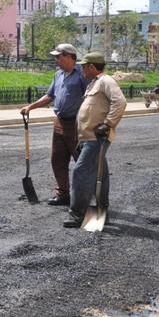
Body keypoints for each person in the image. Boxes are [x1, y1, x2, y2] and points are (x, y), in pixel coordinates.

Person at [19, 43, 90, 208]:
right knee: (57, 160)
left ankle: (84, 198)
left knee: (81, 162)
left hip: (76, 124)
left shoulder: (82, 75)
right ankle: (63, 194)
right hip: (59, 122)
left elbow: (90, 98)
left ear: (69, 56)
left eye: (58, 57)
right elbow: (50, 96)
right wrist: (31, 107)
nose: (56, 60)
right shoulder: (58, 74)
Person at [64, 52, 127, 228]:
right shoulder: (94, 83)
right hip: (89, 137)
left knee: (81, 172)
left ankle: (77, 214)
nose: (81, 70)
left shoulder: (106, 81)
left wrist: (108, 124)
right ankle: (101, 213)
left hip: (97, 137)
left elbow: (120, 102)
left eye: (83, 67)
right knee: (101, 175)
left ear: (91, 66)